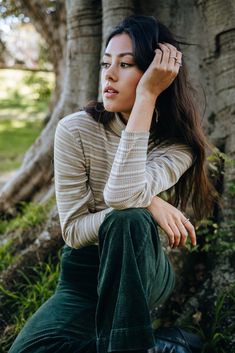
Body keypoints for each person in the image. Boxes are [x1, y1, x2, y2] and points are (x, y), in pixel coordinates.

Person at [9, 15, 214, 353]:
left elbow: (122, 197)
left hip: (140, 268)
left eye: (127, 64)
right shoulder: (75, 130)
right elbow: (73, 230)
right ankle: (163, 345)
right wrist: (152, 200)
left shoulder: (176, 146)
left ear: (157, 76)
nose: (110, 74)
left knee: (127, 218)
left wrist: (146, 97)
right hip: (83, 275)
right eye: (106, 63)